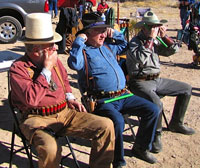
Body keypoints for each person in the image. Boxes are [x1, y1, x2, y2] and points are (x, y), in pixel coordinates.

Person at [9, 13, 115, 168]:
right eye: (50, 45)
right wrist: (46, 69)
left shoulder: (55, 61)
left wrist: (70, 97)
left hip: (65, 113)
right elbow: (31, 99)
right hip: (36, 118)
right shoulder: (19, 69)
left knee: (105, 126)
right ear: (36, 49)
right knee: (51, 148)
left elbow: (64, 80)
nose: (54, 48)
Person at [68, 12, 160, 167]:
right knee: (117, 121)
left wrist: (115, 33)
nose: (103, 34)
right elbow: (74, 64)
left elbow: (125, 46)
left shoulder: (108, 47)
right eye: (99, 30)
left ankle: (141, 148)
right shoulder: (83, 52)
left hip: (123, 95)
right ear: (87, 34)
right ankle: (118, 161)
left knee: (153, 109)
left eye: (105, 30)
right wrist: (78, 41)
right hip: (102, 101)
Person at [126, 11, 195, 154]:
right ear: (143, 28)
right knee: (156, 103)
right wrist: (151, 39)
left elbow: (173, 51)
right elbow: (141, 60)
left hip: (157, 79)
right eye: (152, 26)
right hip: (140, 82)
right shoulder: (135, 42)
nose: (154, 29)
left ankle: (176, 123)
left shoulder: (156, 40)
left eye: (156, 26)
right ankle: (156, 136)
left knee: (186, 89)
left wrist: (165, 37)